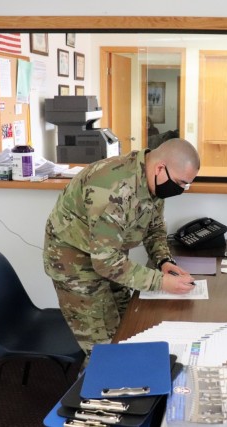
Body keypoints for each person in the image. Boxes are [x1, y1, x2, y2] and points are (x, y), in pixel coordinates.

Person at [43, 138, 200, 357]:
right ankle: (90, 388)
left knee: (129, 329)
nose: (182, 189)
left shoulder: (152, 179)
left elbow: (153, 229)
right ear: (160, 168)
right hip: (75, 265)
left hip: (110, 257)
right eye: (181, 182)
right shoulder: (113, 190)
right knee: (106, 351)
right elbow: (105, 262)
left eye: (186, 184)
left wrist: (164, 262)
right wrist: (161, 282)